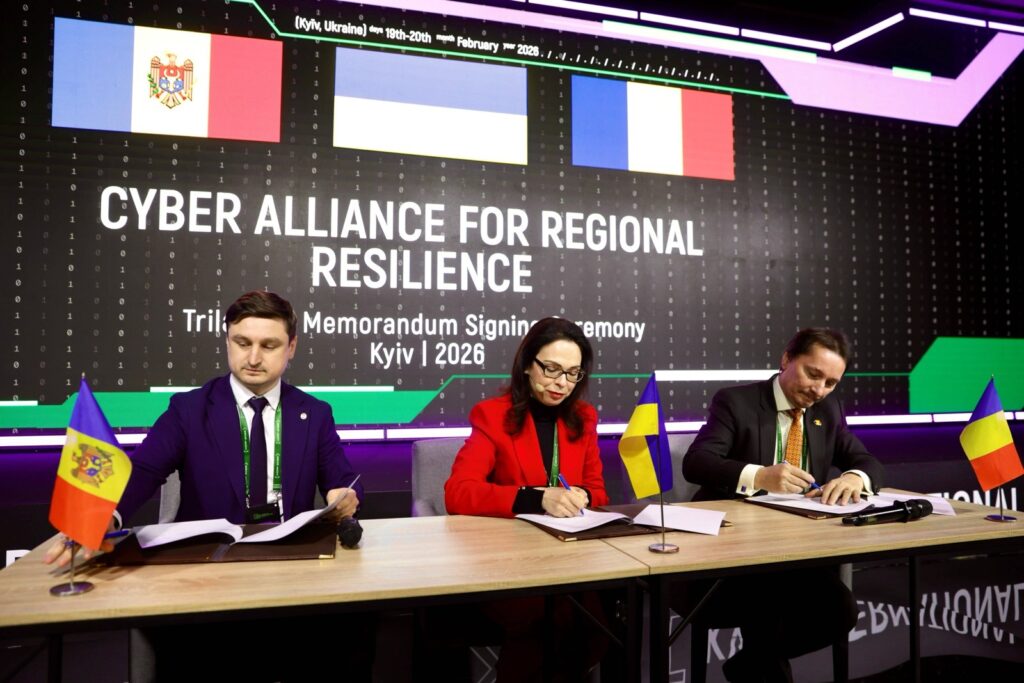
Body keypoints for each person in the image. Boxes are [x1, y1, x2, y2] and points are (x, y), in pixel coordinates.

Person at [44, 290, 369, 681]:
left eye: (269, 345)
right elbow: (143, 470)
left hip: (287, 571)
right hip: (209, 573)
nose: (253, 358)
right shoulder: (189, 409)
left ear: (291, 347)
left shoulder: (314, 413)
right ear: (227, 340)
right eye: (242, 343)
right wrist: (103, 517)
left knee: (351, 629)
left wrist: (342, 497)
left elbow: (340, 479)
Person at [679, 327, 885, 682]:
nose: (819, 390)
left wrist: (854, 478)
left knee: (840, 610)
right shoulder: (736, 402)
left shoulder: (828, 409)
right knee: (769, 607)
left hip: (794, 553)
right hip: (729, 558)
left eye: (831, 383)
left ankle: (746, 665)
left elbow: (867, 461)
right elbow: (697, 462)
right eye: (813, 374)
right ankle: (754, 668)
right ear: (787, 359)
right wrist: (760, 476)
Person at [441, 317, 610, 681]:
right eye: (551, 369)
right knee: (553, 612)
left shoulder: (584, 417)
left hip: (569, 558)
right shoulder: (493, 415)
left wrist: (583, 494)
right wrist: (535, 498)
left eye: (573, 373)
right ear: (527, 365)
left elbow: (597, 488)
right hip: (510, 562)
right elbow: (458, 492)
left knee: (601, 610)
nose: (562, 383)